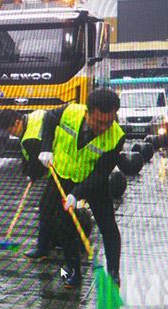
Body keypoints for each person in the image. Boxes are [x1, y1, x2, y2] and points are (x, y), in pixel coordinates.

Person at [38, 88, 125, 289]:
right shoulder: (70, 111)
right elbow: (49, 118)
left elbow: (100, 174)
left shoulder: (117, 137)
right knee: (62, 224)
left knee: (108, 227)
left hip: (93, 183)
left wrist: (76, 196)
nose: (104, 127)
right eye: (98, 122)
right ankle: (73, 271)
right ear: (87, 113)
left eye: (109, 122)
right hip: (62, 174)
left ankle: (113, 273)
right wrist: (46, 147)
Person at [0, 109, 52, 259]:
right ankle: (52, 243)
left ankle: (43, 249)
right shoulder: (33, 117)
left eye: (11, 131)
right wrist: (28, 171)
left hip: (61, 166)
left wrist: (32, 175)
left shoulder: (31, 136)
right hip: (60, 161)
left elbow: (38, 165)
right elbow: (29, 156)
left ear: (17, 122)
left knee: (46, 207)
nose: (12, 135)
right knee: (52, 207)